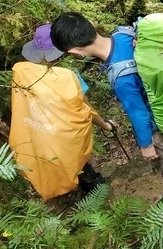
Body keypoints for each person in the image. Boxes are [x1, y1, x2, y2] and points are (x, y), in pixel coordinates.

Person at [50, 12, 163, 208]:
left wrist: (145, 144)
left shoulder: (120, 75)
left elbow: (138, 113)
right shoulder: (125, 35)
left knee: (162, 154)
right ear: (91, 24)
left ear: (75, 53)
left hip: (153, 120)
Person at [8, 24, 113, 201]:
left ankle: (67, 195)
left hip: (37, 133)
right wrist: (106, 126)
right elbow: (86, 110)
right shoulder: (67, 76)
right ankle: (92, 190)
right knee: (74, 158)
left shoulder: (20, 72)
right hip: (64, 137)